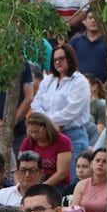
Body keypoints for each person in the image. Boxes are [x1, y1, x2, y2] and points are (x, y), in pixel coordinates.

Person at [30, 43, 89, 174]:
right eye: (55, 59)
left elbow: (71, 110)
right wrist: (46, 125)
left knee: (71, 176)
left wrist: (46, 123)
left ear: (70, 58)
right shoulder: (48, 80)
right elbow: (36, 104)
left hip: (72, 135)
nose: (58, 62)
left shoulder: (80, 81)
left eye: (62, 58)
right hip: (47, 136)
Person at [20, 112, 73, 187]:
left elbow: (62, 173)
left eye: (37, 131)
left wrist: (42, 187)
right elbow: (21, 165)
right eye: (31, 132)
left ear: (47, 128)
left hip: (57, 183)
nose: (34, 135)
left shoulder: (63, 141)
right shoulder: (28, 141)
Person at [72, 148, 107, 212]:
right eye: (97, 160)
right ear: (91, 164)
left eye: (104, 161)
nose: (100, 164)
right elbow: (74, 210)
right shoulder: (81, 185)